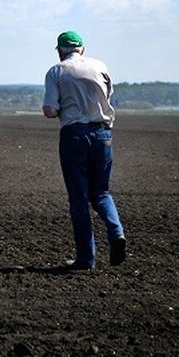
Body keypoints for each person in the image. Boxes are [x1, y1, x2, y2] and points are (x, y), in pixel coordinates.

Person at [43, 30, 126, 271]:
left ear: (60, 51)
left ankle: (85, 258)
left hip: (74, 136)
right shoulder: (100, 65)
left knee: (79, 198)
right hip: (102, 134)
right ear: (83, 49)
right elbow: (108, 96)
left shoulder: (56, 71)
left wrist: (64, 110)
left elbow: (50, 109)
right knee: (101, 192)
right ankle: (116, 232)